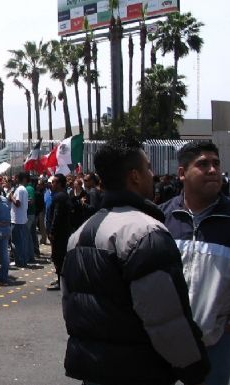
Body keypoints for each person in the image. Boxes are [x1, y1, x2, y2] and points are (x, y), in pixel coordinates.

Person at [61, 137, 209, 385]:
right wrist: (195, 368)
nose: (153, 174)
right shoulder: (146, 233)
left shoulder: (79, 234)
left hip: (93, 371)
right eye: (148, 167)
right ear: (135, 176)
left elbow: (71, 306)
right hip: (138, 372)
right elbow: (165, 319)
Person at [160, 141, 230, 385]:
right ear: (182, 173)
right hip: (162, 348)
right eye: (203, 164)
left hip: (215, 348)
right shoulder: (160, 220)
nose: (213, 170)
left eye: (216, 164)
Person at [46, 174, 71, 291]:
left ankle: (61, 282)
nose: (52, 184)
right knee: (58, 257)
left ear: (60, 183)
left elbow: (57, 215)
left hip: (59, 234)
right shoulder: (62, 196)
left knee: (58, 257)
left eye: (55, 182)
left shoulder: (60, 197)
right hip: (62, 232)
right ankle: (60, 279)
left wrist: (52, 231)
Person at [8, 173, 29, 267]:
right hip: (20, 219)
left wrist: (11, 196)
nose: (14, 179)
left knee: (16, 242)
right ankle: (22, 260)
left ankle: (19, 261)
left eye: (15, 177)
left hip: (17, 220)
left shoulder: (20, 190)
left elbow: (17, 203)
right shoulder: (22, 189)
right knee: (21, 241)